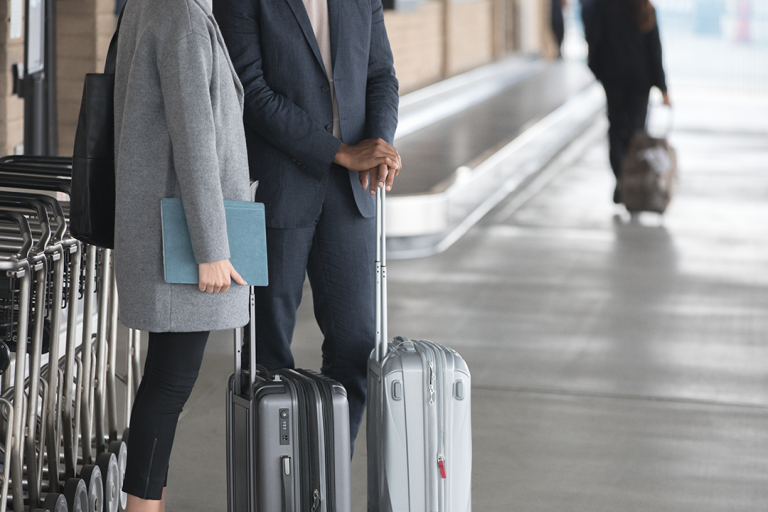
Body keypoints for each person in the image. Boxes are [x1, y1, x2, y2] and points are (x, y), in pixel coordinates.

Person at [214, 0, 401, 452]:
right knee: (267, 351)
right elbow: (249, 91)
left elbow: (381, 75)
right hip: (279, 187)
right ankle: (279, 479)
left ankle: (325, 477)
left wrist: (381, 143)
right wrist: (339, 152)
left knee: (357, 345)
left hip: (351, 192)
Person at [112, 0, 251, 508]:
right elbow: (194, 138)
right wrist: (212, 247)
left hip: (161, 225)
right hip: (181, 239)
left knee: (164, 384)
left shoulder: (152, 8)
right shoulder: (182, 17)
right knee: (168, 387)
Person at [586, 0, 671, 203]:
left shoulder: (604, 6)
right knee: (636, 133)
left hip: (613, 79)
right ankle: (630, 182)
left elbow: (594, 40)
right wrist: (663, 88)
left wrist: (599, 71)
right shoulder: (644, 7)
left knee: (616, 129)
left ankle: (621, 180)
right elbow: (654, 49)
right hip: (640, 82)